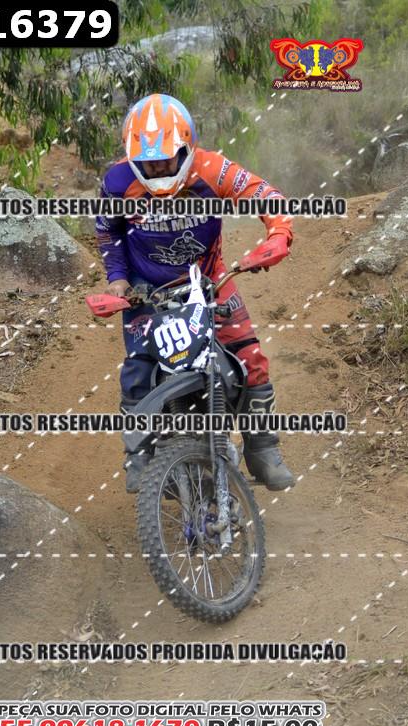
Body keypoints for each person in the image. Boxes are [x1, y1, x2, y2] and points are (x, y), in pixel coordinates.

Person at [95, 93, 295, 494]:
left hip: (208, 279)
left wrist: (278, 232)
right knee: (137, 371)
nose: (156, 169)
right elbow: (108, 231)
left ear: (187, 149)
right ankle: (140, 457)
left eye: (165, 160)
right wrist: (117, 279)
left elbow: (265, 194)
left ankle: (263, 449)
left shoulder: (212, 168)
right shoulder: (117, 181)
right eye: (148, 162)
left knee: (250, 356)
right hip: (145, 289)